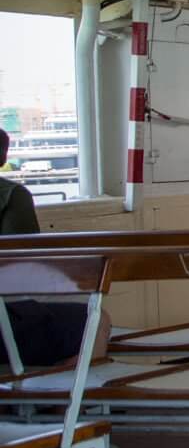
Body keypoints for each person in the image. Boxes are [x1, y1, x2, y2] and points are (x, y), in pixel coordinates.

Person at [0, 126, 105, 369]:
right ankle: (67, 390)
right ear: (3, 158)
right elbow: (21, 264)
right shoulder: (12, 196)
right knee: (95, 318)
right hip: (5, 324)